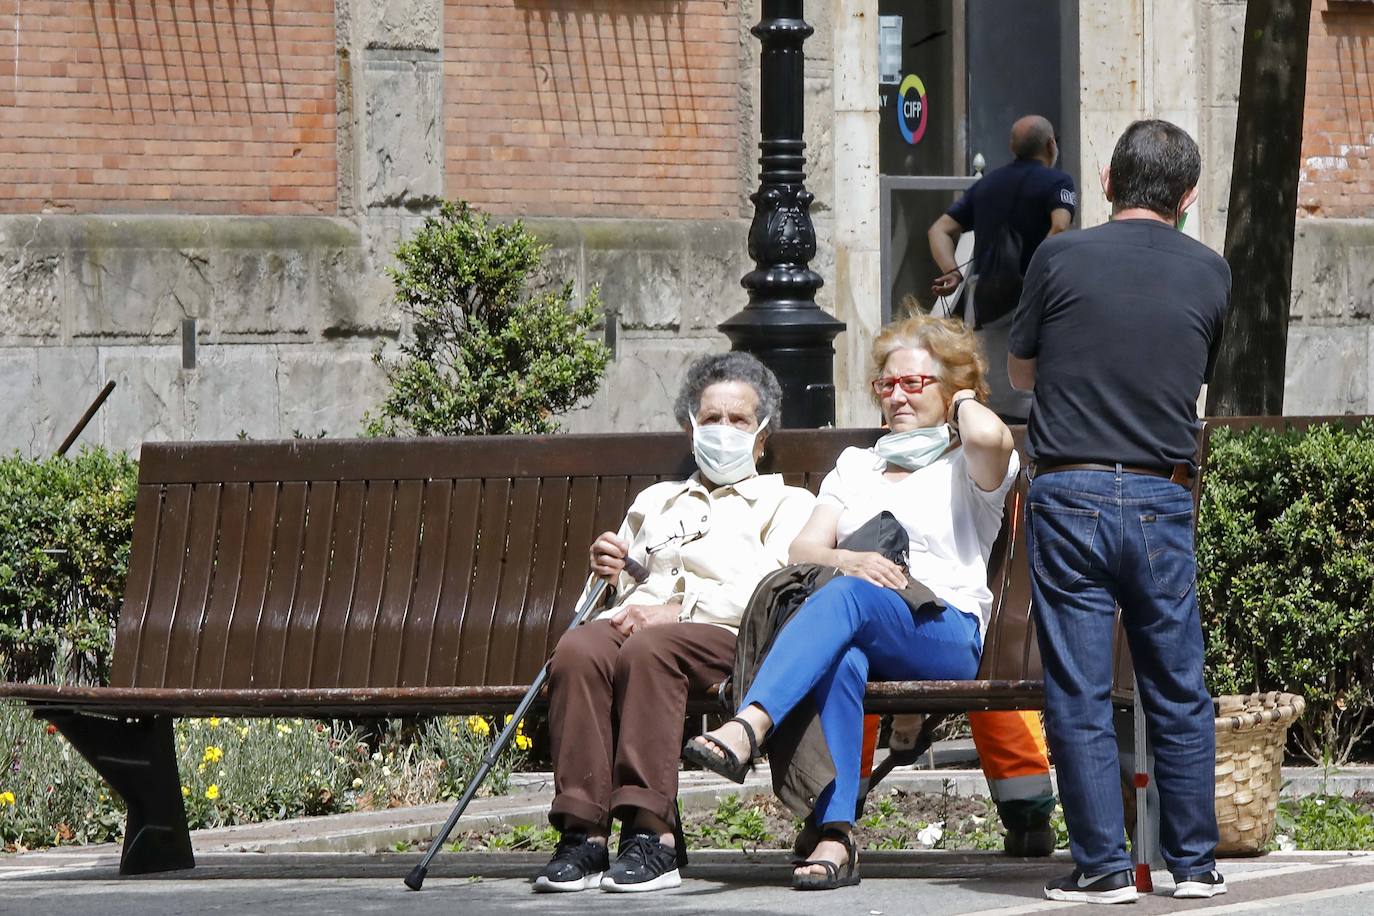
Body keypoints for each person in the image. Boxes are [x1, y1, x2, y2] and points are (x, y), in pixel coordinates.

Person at [684, 315, 1019, 890]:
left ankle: (750, 726)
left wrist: (962, 392)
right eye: (887, 385)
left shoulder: (967, 466)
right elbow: (804, 547)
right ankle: (835, 834)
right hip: (861, 618)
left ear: (950, 389)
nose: (897, 396)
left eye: (915, 384)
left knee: (849, 601)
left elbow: (994, 438)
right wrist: (851, 560)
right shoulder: (856, 465)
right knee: (842, 655)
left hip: (943, 631)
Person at [1007, 119, 1231, 904]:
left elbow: (1022, 369)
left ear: (1104, 179)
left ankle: (1102, 867)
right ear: (1190, 195)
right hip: (1162, 493)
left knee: (1079, 687)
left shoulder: (1059, 255)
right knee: (1178, 684)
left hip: (1068, 491)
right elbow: (1198, 372)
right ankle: (1194, 865)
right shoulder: (1210, 271)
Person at [533, 352, 815, 894]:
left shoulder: (785, 502)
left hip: (731, 637)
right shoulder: (656, 501)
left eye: (738, 420)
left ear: (761, 436)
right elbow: (625, 591)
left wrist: (676, 610)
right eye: (712, 419)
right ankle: (583, 835)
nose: (723, 430)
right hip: (643, 631)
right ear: (692, 429)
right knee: (577, 650)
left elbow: (775, 591)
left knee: (651, 649)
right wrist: (610, 573)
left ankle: (653, 833)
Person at [928, 114, 1076, 422]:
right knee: (1033, 397)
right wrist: (1037, 274)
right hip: (1036, 302)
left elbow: (938, 230)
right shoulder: (1058, 182)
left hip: (987, 302)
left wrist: (953, 272)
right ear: (1051, 145)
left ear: (1012, 147)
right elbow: (1060, 227)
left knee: (993, 395)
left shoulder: (987, 184)